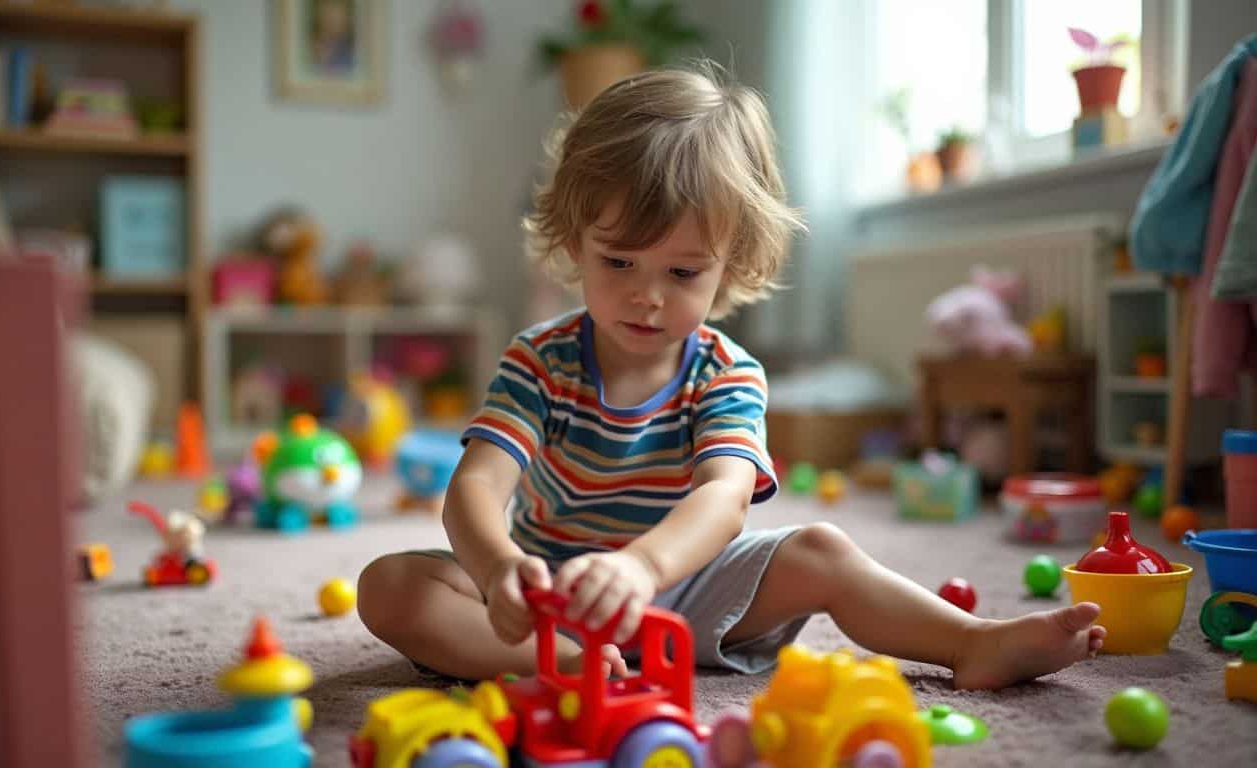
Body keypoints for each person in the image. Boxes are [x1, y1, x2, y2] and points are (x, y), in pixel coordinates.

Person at [357, 63, 1106, 689]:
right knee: (390, 585)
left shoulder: (725, 372)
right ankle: (567, 664)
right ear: (572, 239)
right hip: (548, 597)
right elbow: (479, 485)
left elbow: (725, 495)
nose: (647, 294)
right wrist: (499, 572)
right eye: (618, 261)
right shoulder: (539, 358)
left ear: (731, 265)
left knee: (822, 548)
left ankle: (968, 641)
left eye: (682, 271)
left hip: (685, 589)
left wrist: (643, 568)